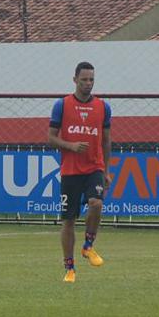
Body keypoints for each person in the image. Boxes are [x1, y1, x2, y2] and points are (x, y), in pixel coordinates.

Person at [48, 61, 112, 283]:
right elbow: (50, 137)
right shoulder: (62, 105)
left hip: (94, 167)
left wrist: (106, 170)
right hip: (70, 171)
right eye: (84, 79)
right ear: (75, 80)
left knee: (96, 203)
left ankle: (88, 245)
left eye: (91, 79)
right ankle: (69, 269)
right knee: (68, 221)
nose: (88, 83)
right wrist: (71, 146)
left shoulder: (103, 107)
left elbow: (106, 140)